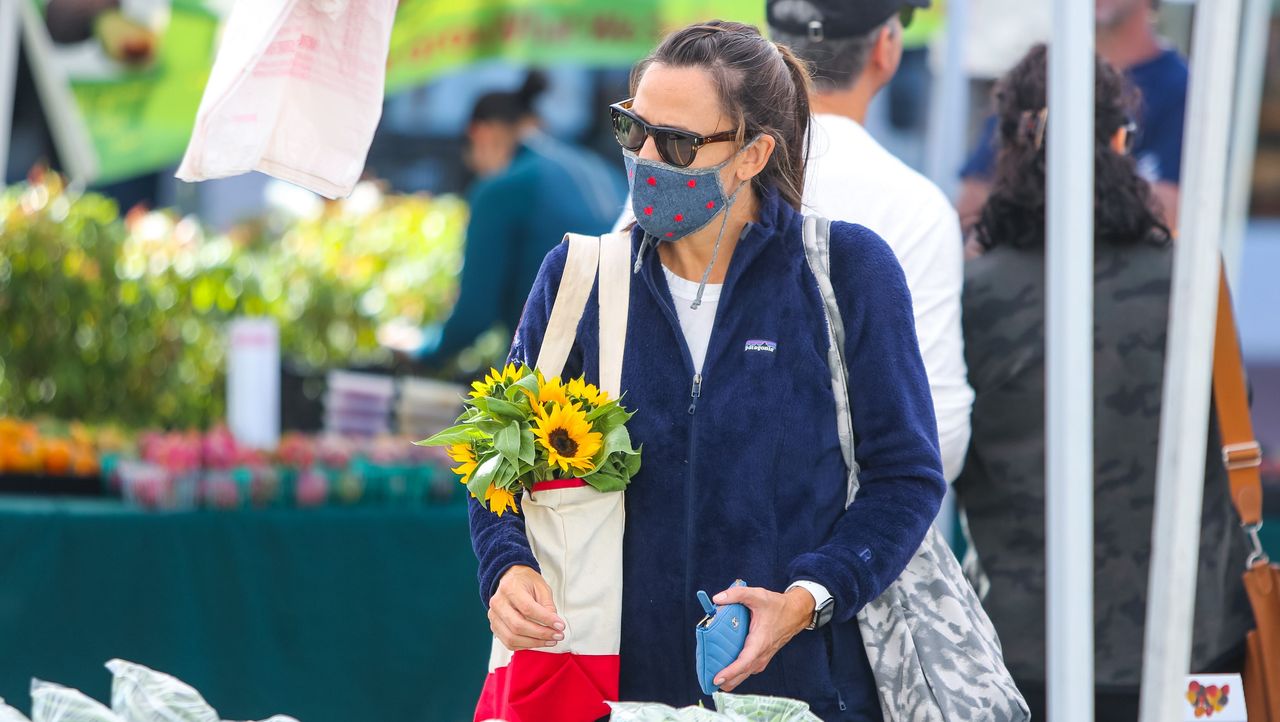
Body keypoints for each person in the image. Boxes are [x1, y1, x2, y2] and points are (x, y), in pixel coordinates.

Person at [471, 21, 946, 719]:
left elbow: (905, 478)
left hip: (801, 689)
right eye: (633, 130)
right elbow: (496, 457)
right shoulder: (579, 278)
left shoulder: (847, 272)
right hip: (614, 690)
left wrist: (809, 597)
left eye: (680, 144)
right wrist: (505, 565)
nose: (648, 159)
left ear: (754, 154)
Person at [956, 45, 1253, 721]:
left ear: (1007, 147)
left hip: (1022, 649)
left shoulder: (971, 294)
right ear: (1121, 140)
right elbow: (1233, 430)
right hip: (1193, 645)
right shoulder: (1192, 281)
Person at [768, 0, 974, 484]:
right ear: (886, 47)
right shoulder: (916, 206)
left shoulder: (688, 169)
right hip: (855, 540)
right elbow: (938, 434)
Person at [393, 72, 625, 366]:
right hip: (622, 356)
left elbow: (474, 317)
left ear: (480, 134)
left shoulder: (499, 189)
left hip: (555, 371)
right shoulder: (595, 166)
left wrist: (419, 349)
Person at [956, 0, 1187, 231]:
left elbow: (1173, 215)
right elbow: (971, 206)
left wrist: (1032, 185)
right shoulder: (1040, 77)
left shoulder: (1183, 89)